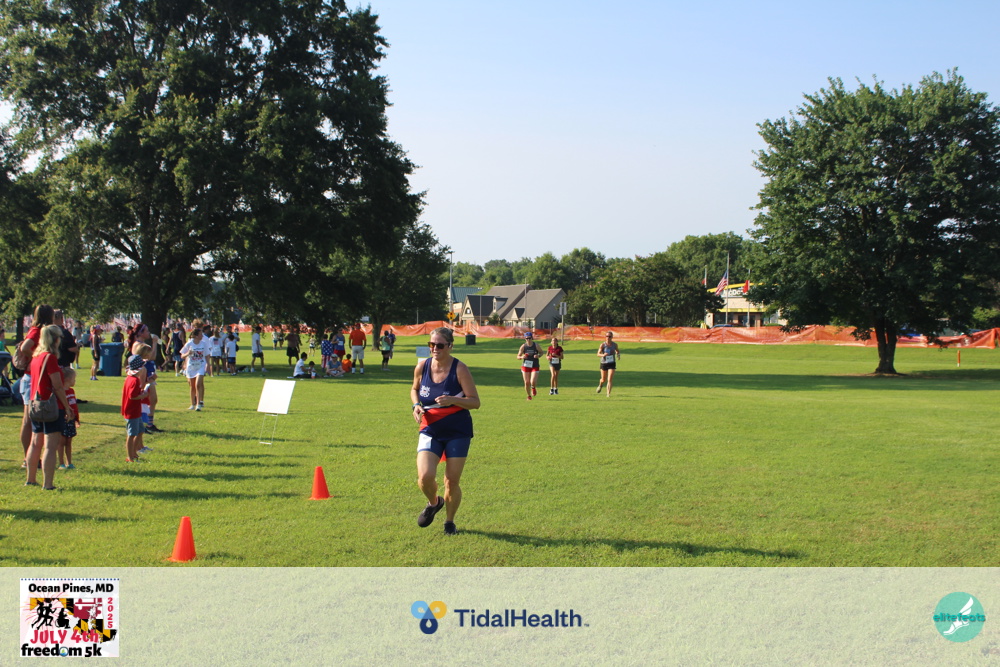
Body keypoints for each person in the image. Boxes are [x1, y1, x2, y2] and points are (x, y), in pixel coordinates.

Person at [410, 327, 480, 536]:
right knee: (424, 477)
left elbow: (475, 402)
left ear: (450, 346)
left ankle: (449, 522)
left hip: (457, 430)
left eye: (439, 345)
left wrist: (452, 400)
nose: (435, 349)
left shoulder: (460, 369)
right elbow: (414, 389)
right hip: (430, 428)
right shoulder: (422, 366)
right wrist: (416, 405)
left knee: (451, 480)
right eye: (431, 344)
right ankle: (434, 502)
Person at [26, 324, 70, 489]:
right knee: (50, 446)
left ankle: (30, 479)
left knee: (35, 443)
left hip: (35, 404)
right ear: (56, 339)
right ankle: (48, 484)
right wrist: (67, 407)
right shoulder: (50, 358)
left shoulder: (36, 356)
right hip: (51, 406)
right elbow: (57, 386)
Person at [18, 305, 55, 468]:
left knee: (33, 418)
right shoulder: (37, 330)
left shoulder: (42, 330)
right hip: (31, 378)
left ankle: (31, 456)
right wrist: (37, 357)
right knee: (28, 419)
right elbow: (25, 347)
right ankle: (28, 458)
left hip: (35, 377)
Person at [129, 324, 162, 432]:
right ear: (140, 333)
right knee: (146, 400)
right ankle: (145, 424)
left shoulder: (143, 344)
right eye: (146, 331)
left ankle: (149, 424)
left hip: (148, 374)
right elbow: (150, 357)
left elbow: (152, 357)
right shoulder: (137, 345)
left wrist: (154, 344)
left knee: (153, 400)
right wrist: (154, 343)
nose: (149, 333)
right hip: (144, 375)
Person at [121, 354, 150, 462]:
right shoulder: (134, 380)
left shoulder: (130, 378)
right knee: (132, 434)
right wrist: (143, 396)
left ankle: (134, 453)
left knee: (140, 430)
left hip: (136, 411)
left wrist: (140, 392)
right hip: (131, 411)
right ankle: (130, 457)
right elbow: (132, 396)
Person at [180, 326, 209, 410]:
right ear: (196, 336)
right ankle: (192, 404)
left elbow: (207, 355)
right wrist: (188, 353)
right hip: (191, 367)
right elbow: (182, 355)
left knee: (198, 384)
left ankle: (198, 404)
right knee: (192, 386)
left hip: (201, 365)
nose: (202, 336)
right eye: (200, 334)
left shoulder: (204, 344)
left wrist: (208, 364)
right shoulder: (189, 344)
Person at [58, 368, 79, 469]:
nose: (75, 381)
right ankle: (61, 463)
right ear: (67, 379)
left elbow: (74, 406)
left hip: (71, 420)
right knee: (61, 442)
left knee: (69, 442)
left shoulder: (72, 391)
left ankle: (69, 462)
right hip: (63, 419)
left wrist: (76, 419)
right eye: (74, 379)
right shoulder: (61, 392)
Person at [516, 331, 541, 400]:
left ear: (532, 338)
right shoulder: (523, 346)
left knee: (532, 381)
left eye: (529, 338)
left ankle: (533, 387)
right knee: (527, 382)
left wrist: (538, 356)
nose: (528, 340)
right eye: (527, 338)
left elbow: (541, 352)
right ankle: (529, 396)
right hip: (526, 365)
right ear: (525, 339)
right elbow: (518, 356)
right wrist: (522, 357)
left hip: (535, 365)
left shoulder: (536, 345)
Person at [596, 331, 621, 397]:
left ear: (612, 337)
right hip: (604, 363)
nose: (608, 338)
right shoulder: (602, 345)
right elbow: (598, 354)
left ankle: (608, 394)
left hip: (612, 363)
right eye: (607, 336)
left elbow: (617, 350)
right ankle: (600, 385)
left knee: (609, 379)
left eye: (609, 336)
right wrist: (603, 355)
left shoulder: (614, 345)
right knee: (603, 379)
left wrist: (618, 355)